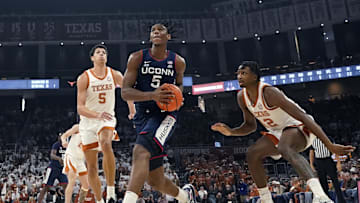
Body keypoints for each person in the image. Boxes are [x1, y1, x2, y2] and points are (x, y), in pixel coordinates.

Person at [211, 61, 355, 203]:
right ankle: (266, 199)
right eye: (238, 74)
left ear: (254, 77)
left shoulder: (269, 92)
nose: (239, 77)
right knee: (252, 153)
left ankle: (321, 196)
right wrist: (231, 132)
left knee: (284, 147)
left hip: (299, 126)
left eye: (244, 73)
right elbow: (250, 126)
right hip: (277, 131)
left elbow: (303, 117)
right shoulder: (241, 97)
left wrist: (328, 144)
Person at [121, 23, 196, 203]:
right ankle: (185, 197)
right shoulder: (137, 58)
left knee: (139, 152)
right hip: (142, 116)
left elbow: (179, 86)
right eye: (153, 30)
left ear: (168, 36)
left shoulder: (178, 61)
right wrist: (152, 95)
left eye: (160, 29)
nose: (156, 32)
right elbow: (125, 92)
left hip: (165, 115)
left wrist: (178, 96)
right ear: (150, 37)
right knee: (155, 180)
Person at [77, 44, 136, 203]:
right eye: (98, 52)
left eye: (104, 52)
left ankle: (110, 192)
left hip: (107, 119)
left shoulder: (114, 74)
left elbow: (127, 90)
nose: (102, 54)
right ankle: (99, 199)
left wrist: (131, 107)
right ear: (92, 58)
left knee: (105, 143)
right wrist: (96, 114)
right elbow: (80, 108)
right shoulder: (84, 77)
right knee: (92, 167)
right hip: (88, 122)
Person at [309, 137, 346, 203]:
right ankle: (327, 201)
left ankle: (341, 201)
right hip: (319, 162)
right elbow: (311, 153)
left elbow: (335, 150)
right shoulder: (312, 141)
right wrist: (311, 164)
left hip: (328, 160)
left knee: (335, 182)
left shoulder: (328, 138)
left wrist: (338, 163)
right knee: (323, 184)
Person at [60, 124, 89, 203]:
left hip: (80, 160)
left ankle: (80, 201)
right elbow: (64, 135)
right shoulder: (78, 127)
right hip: (71, 156)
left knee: (86, 185)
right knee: (71, 181)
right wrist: (64, 141)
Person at [38, 136, 68, 203]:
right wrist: (59, 158)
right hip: (53, 168)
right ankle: (39, 201)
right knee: (46, 187)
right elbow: (52, 155)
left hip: (62, 169)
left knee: (66, 187)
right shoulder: (56, 145)